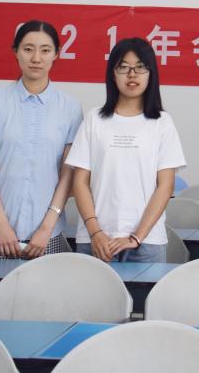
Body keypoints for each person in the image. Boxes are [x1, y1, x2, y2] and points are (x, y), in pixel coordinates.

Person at [0, 20, 83, 259]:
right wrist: (1, 225)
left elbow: (67, 175)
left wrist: (46, 228)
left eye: (45, 50)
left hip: (45, 234)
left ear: (56, 54)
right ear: (15, 51)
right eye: (28, 49)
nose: (36, 58)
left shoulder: (71, 108)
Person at [67, 37, 186, 263]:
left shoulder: (162, 123)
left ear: (151, 74)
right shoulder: (94, 119)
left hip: (147, 243)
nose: (132, 74)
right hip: (96, 241)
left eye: (140, 67)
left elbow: (165, 185)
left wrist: (137, 237)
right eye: (123, 67)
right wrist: (95, 232)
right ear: (113, 74)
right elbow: (80, 182)